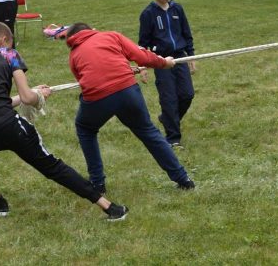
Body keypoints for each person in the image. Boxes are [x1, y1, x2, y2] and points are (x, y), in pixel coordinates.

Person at [0, 22, 128, 220]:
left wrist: (34, 91)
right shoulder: (9, 55)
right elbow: (27, 98)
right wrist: (39, 96)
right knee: (52, 166)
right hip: (11, 129)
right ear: (3, 40)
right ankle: (110, 208)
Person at [60, 22, 195, 193]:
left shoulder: (74, 54)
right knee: (148, 132)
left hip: (98, 98)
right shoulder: (111, 36)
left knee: (85, 129)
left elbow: (85, 79)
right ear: (92, 30)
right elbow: (142, 57)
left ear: (72, 39)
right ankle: (183, 179)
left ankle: (97, 184)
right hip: (127, 92)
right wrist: (164, 63)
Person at [138, 0, 196, 148]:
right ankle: (173, 138)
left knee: (187, 94)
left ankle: (168, 119)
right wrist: (143, 66)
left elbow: (186, 34)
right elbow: (143, 44)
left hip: (180, 57)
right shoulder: (148, 14)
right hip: (161, 60)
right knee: (168, 98)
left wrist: (191, 56)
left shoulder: (177, 9)